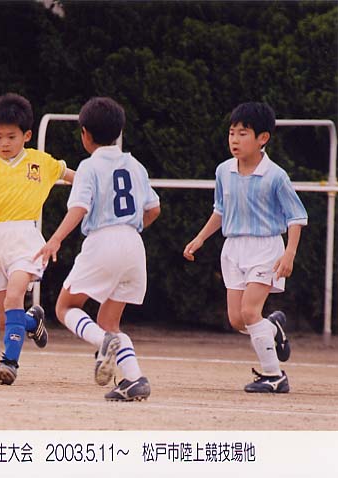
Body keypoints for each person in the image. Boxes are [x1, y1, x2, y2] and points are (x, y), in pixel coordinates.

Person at [34, 97, 161, 401]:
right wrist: (129, 231)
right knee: (110, 321)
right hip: (134, 243)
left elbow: (79, 207)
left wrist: (55, 239)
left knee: (65, 307)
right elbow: (154, 209)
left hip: (104, 240)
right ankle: (134, 379)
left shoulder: (88, 167)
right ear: (119, 132)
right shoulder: (136, 166)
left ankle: (103, 342)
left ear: (85, 134)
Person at [0, 92, 75, 385]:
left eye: (11, 137)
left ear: (26, 135)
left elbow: (73, 176)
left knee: (14, 295)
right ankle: (32, 321)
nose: (4, 143)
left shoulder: (40, 162)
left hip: (25, 239)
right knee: (2, 320)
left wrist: (97, 185)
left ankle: (10, 362)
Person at [183, 102, 308, 393]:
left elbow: (296, 217)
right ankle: (273, 328)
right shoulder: (223, 171)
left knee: (251, 312)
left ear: (263, 138)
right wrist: (200, 238)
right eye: (232, 133)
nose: (235, 140)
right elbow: (220, 210)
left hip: (265, 249)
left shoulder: (275, 175)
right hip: (233, 249)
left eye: (243, 133)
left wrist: (289, 253)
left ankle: (274, 376)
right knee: (238, 319)